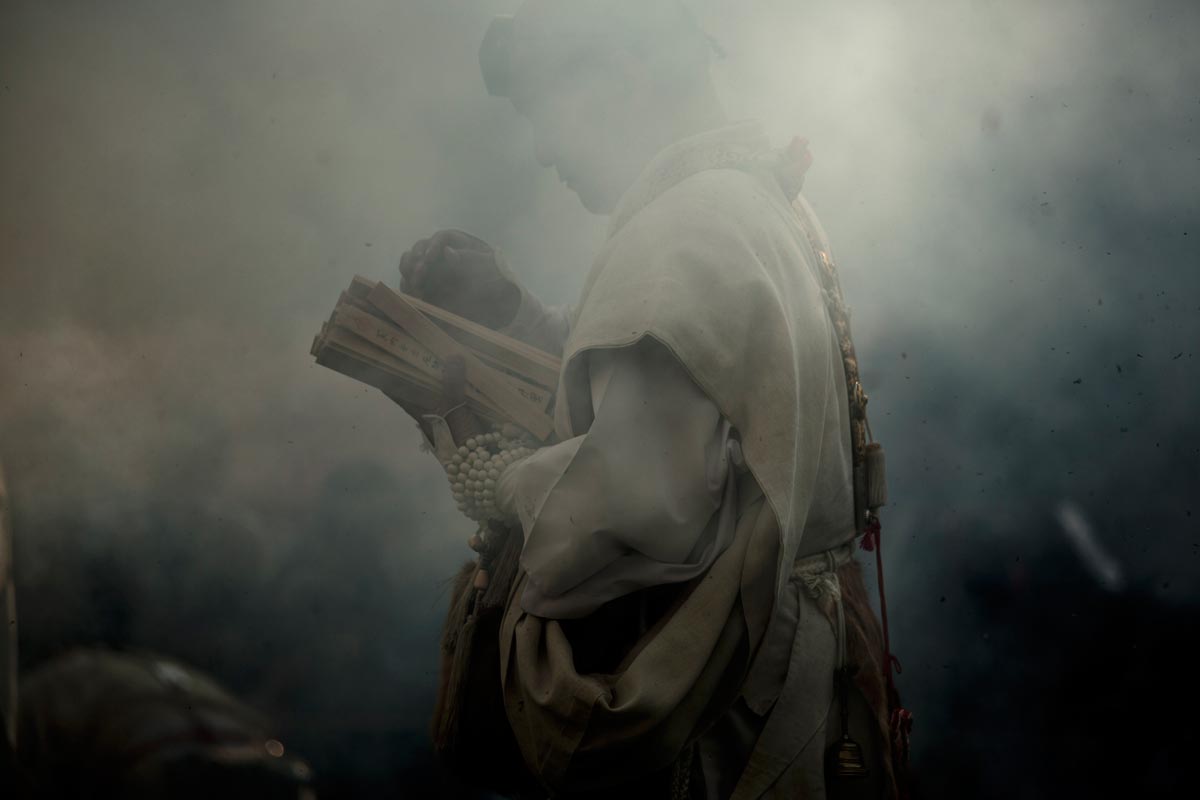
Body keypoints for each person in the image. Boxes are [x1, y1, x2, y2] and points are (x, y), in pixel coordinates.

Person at [398, 2, 905, 797]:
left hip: (727, 731)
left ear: (623, 73)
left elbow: (631, 503)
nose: (543, 149)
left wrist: (488, 474)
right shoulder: (746, 200)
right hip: (789, 677)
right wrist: (512, 315)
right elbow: (671, 368)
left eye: (545, 109)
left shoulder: (687, 232)